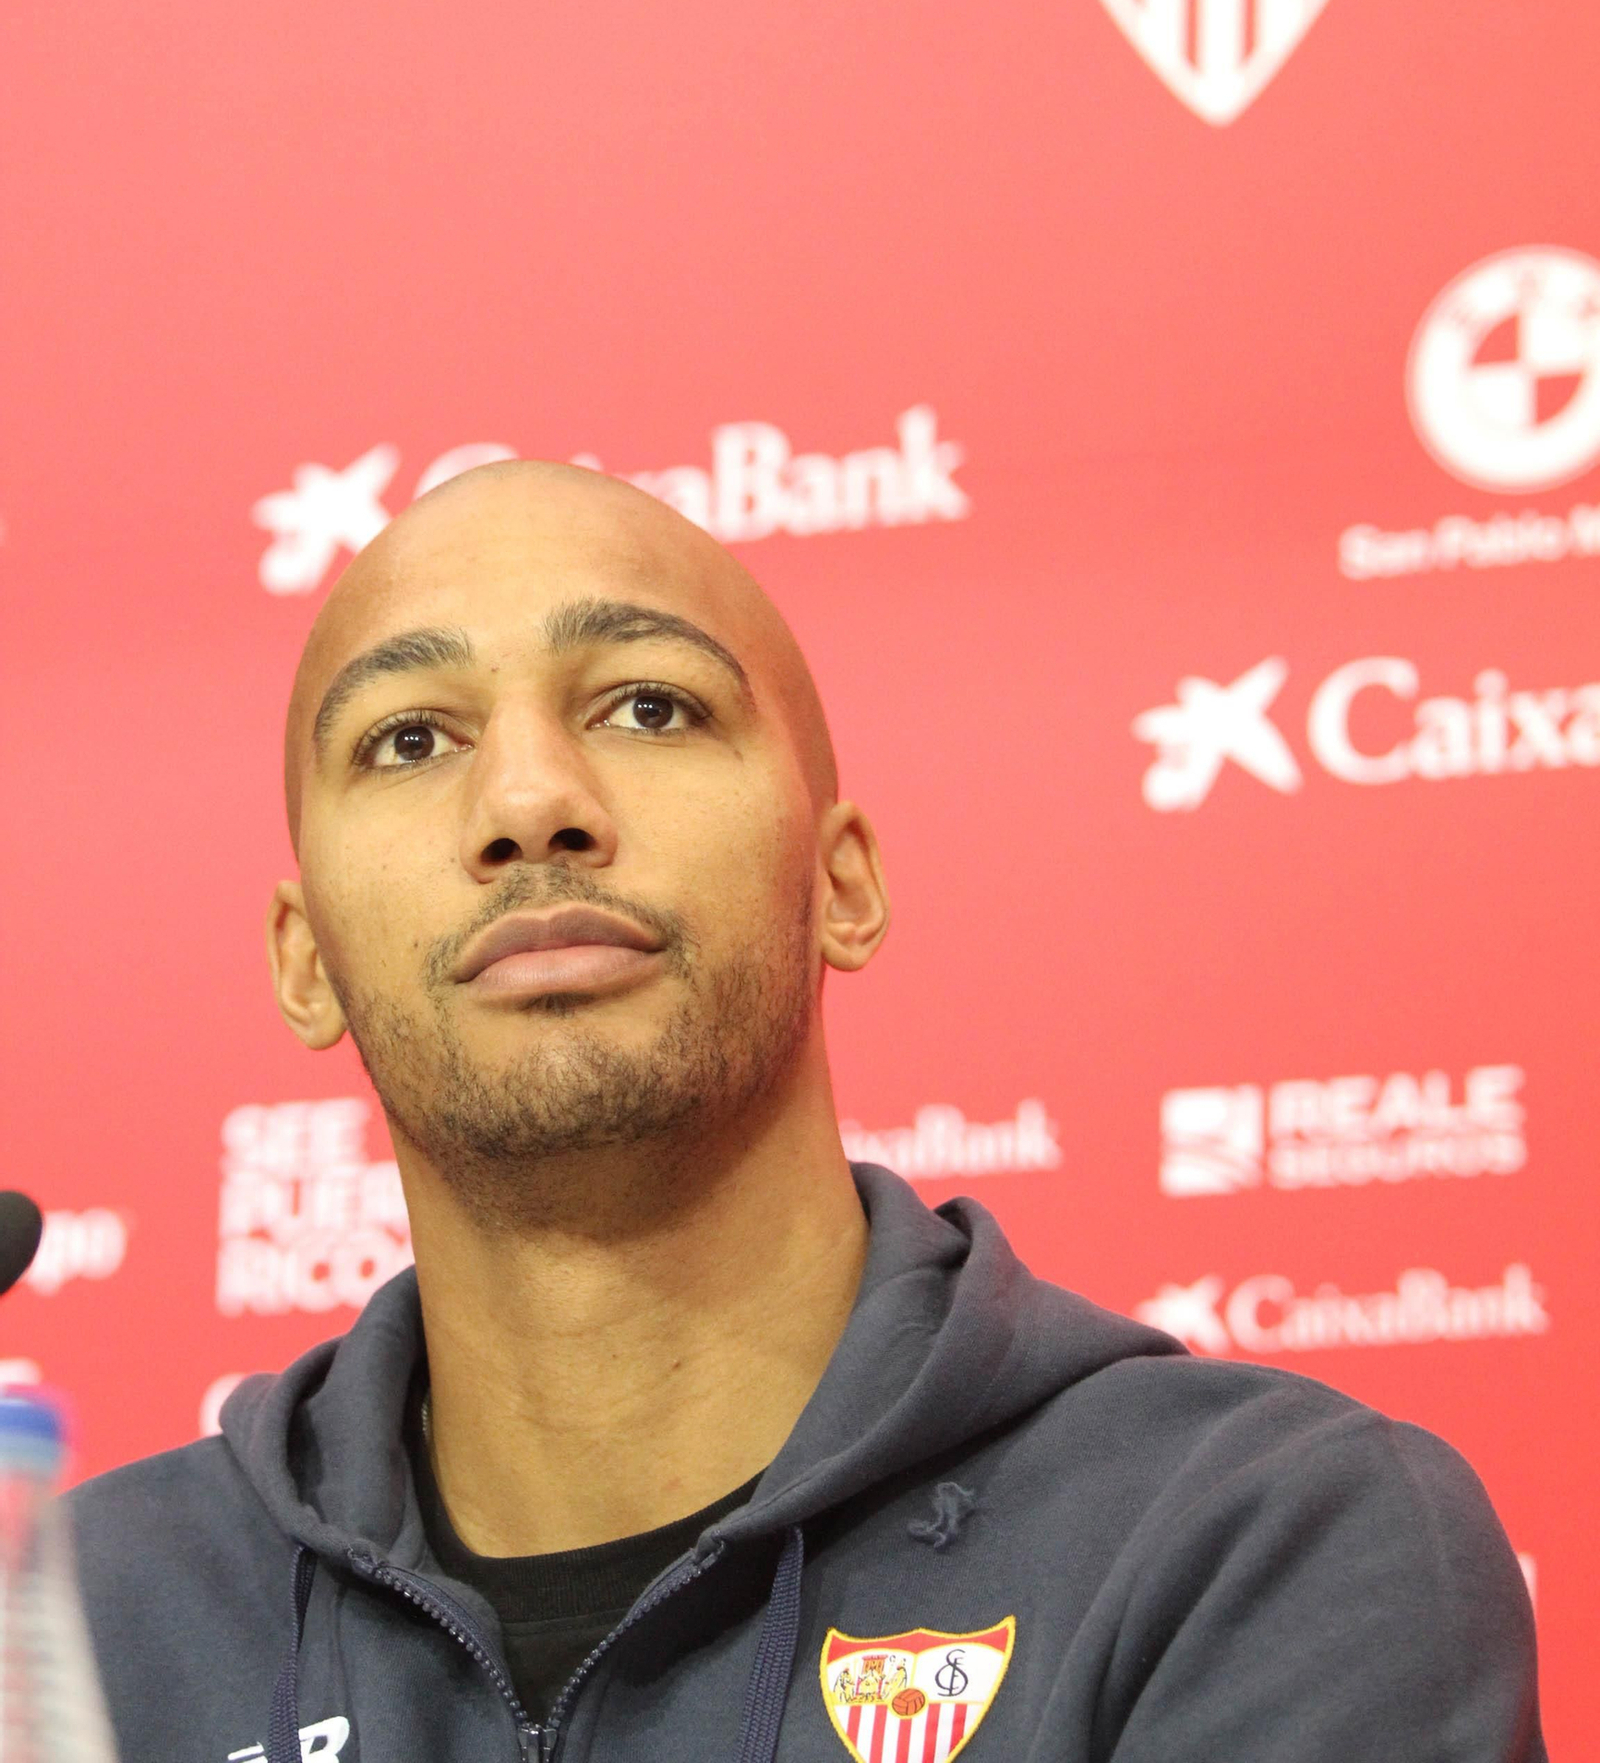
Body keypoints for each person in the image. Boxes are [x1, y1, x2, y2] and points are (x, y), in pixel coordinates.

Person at [71, 462, 1543, 1762]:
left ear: (841, 882)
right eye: (409, 739)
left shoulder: (1258, 1543)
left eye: (649, 706)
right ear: (305, 960)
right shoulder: (68, 1633)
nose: (528, 803)